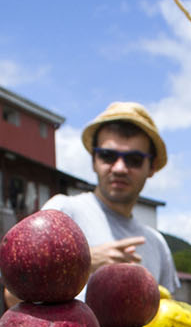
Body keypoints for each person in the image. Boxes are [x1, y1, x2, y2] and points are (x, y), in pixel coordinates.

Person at [41, 101, 180, 295]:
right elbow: (13, 297)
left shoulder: (156, 244)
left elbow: (169, 310)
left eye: (134, 159)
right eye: (108, 156)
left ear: (152, 167)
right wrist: (83, 262)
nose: (119, 168)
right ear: (94, 160)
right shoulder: (62, 214)